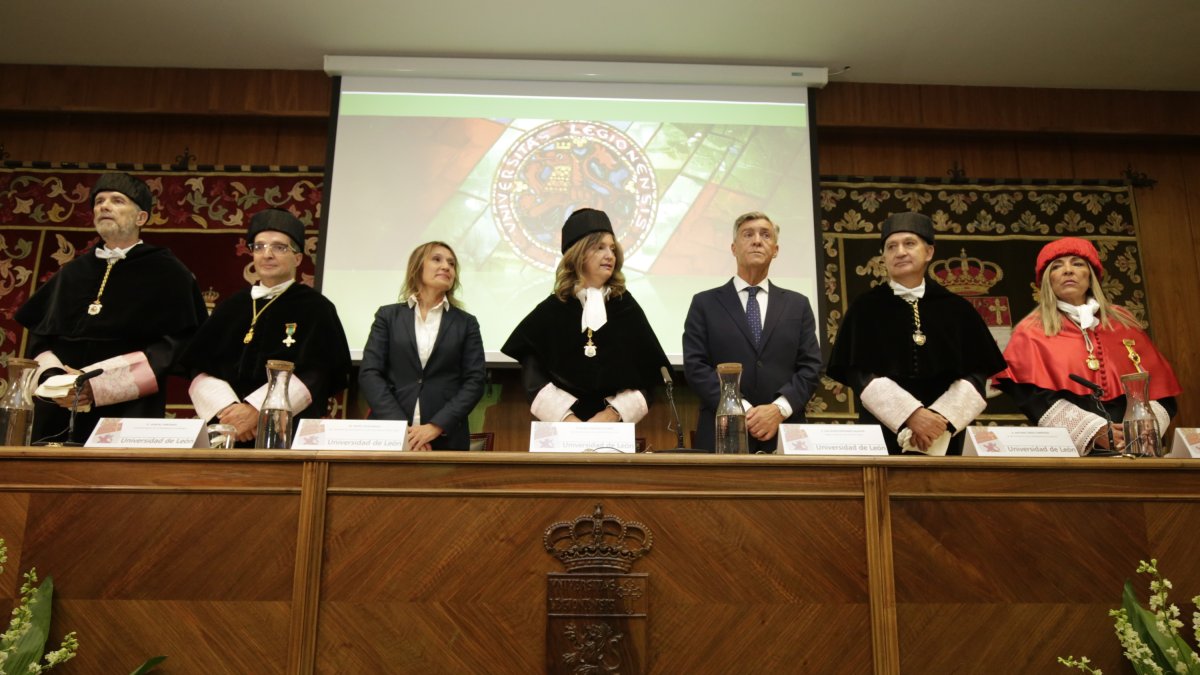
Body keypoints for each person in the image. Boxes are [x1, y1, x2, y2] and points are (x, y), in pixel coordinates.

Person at [16, 172, 208, 444]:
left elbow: (176, 345)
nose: (104, 206)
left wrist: (98, 384)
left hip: (128, 409)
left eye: (117, 201)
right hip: (58, 407)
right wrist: (55, 380)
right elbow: (39, 337)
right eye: (99, 201)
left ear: (141, 217)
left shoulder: (169, 273)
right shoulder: (71, 273)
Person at [826, 212, 1006, 455]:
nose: (900, 252)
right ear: (884, 257)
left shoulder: (958, 309)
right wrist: (911, 415)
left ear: (929, 252)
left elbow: (976, 373)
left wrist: (940, 419)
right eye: (891, 247)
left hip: (945, 434)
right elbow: (858, 373)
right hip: (882, 436)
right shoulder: (864, 308)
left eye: (909, 243)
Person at [994, 237, 1181, 454]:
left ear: (1091, 275)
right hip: (1077, 452)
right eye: (1057, 266)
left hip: (1137, 448)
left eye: (1077, 263)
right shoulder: (1030, 331)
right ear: (1047, 280)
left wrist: (1141, 431)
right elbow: (1032, 397)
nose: (1068, 270)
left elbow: (1160, 390)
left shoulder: (1124, 323)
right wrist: (1094, 431)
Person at [182, 209, 350, 445]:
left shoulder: (316, 308)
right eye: (259, 247)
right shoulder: (231, 306)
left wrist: (257, 411)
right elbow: (199, 366)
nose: (267, 254)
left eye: (279, 247)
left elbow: (320, 372)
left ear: (298, 258)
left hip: (286, 435)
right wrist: (229, 412)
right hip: (229, 433)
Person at [502, 208, 669, 424]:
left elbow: (649, 373)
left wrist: (611, 415)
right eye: (600, 247)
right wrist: (567, 419)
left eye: (612, 248)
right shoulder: (552, 310)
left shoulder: (626, 308)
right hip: (562, 428)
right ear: (578, 254)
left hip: (613, 429)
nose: (610, 255)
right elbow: (533, 377)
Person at [683, 211, 822, 453]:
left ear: (775, 250)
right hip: (722, 434)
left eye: (765, 235)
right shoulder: (704, 303)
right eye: (748, 235)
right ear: (733, 248)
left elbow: (811, 367)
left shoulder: (798, 305)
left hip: (784, 433)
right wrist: (742, 410)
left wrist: (778, 410)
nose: (757, 241)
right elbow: (696, 366)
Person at [358, 241, 486, 451]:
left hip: (445, 439)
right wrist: (402, 431)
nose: (446, 267)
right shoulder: (387, 316)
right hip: (388, 436)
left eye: (451, 264)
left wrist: (436, 426)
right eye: (437, 259)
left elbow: (475, 380)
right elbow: (370, 373)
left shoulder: (466, 323)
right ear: (417, 267)